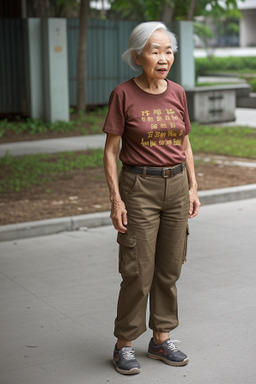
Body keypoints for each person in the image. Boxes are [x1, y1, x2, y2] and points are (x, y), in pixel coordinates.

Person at [103, 21, 200, 375]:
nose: (163, 58)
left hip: (175, 186)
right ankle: (124, 343)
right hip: (138, 186)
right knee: (137, 271)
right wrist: (116, 199)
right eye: (155, 51)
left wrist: (192, 187)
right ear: (137, 56)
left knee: (169, 268)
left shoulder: (177, 92)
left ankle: (161, 338)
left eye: (168, 50)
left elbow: (185, 144)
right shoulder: (123, 94)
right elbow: (111, 152)